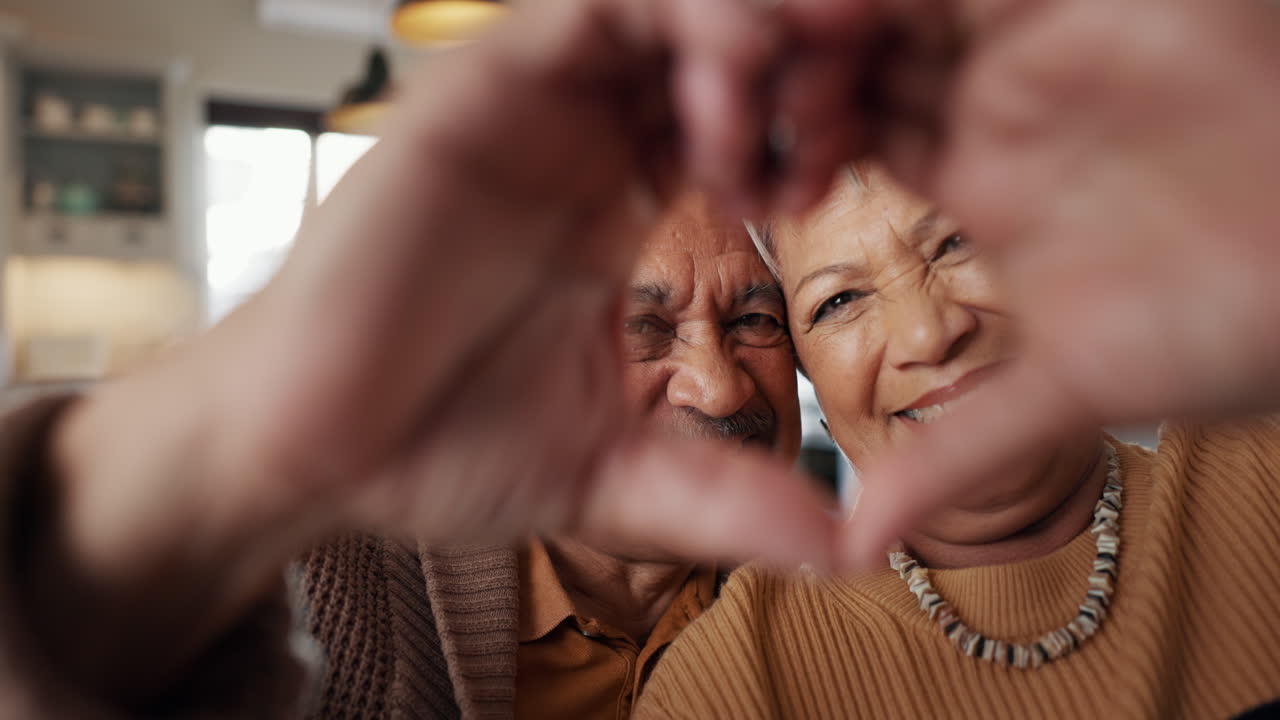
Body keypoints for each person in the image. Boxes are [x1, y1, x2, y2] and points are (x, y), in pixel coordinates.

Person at [2, 0, 1280, 714]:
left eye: (760, 320)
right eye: (833, 300)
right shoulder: (355, 592)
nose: (720, 389)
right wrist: (247, 436)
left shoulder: (764, 595)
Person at [634, 165, 1280, 719]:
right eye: (839, 301)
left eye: (956, 243)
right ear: (814, 391)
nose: (928, 334)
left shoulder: (1257, 478)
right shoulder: (739, 675)